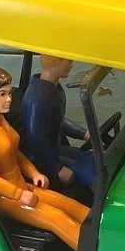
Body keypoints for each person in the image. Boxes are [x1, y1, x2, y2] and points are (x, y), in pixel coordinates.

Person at [0, 67, 89, 251]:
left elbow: (15, 153)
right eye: (2, 94)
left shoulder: (1, 122)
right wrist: (19, 194)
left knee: (69, 204)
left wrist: (33, 173)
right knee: (57, 218)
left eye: (9, 93)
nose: (9, 99)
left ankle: (107, 235)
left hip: (23, 186)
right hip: (7, 197)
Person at [21, 54, 96, 188]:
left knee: (94, 160)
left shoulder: (53, 89)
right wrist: (57, 167)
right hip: (43, 157)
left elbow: (56, 119)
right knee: (93, 177)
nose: (72, 64)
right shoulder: (37, 98)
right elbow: (36, 138)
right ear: (54, 61)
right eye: (68, 60)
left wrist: (83, 133)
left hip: (55, 148)